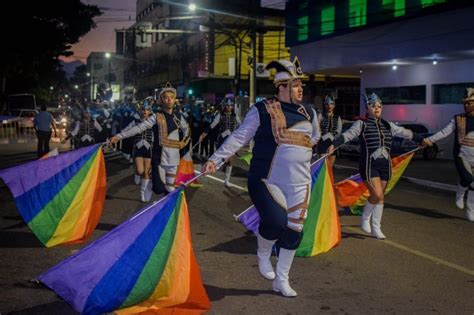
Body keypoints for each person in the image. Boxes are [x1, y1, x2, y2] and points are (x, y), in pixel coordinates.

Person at [202, 57, 320, 297]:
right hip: (267, 180)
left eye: (301, 85)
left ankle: (282, 280)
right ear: (281, 87)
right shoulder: (262, 109)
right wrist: (215, 159)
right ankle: (264, 251)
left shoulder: (310, 111)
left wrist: (302, 153)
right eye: (296, 85)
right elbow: (239, 137)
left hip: (300, 183)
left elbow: (315, 137)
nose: (301, 89)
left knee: (294, 232)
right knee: (276, 222)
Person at [330, 93, 423, 239]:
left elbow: (404, 132)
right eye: (373, 106)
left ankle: (376, 228)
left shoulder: (388, 124)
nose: (377, 108)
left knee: (381, 197)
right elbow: (348, 135)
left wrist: (421, 138)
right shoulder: (362, 124)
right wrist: (334, 145)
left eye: (379, 106)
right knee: (377, 194)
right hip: (368, 165)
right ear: (367, 109)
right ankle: (366, 218)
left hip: (385, 165)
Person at [110, 82, 190, 195]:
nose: (169, 100)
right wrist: (119, 136)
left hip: (174, 157)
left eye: (172, 98)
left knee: (170, 188)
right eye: (166, 98)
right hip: (160, 157)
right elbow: (139, 128)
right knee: (159, 188)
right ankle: (150, 183)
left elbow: (187, 130)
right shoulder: (156, 117)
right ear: (161, 100)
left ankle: (167, 210)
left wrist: (184, 142)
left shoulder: (178, 116)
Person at [422, 87, 474, 222]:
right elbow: (444, 132)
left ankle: (471, 210)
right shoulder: (457, 119)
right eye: (465, 103)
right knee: (468, 179)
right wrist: (429, 140)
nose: (466, 105)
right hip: (462, 155)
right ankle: (460, 191)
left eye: (469, 103)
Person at [199, 97, 241, 187]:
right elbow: (212, 125)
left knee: (230, 160)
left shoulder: (235, 115)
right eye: (227, 105)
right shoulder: (220, 115)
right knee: (222, 159)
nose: (229, 107)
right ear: (224, 106)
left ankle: (226, 180)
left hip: (231, 140)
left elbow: (241, 125)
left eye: (230, 105)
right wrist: (204, 134)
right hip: (222, 139)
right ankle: (207, 169)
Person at [125, 104, 154, 202]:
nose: (145, 111)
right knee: (141, 171)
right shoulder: (135, 122)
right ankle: (137, 173)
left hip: (148, 149)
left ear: (150, 112)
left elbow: (157, 135)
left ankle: (142, 194)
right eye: (143, 109)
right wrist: (117, 137)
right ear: (140, 111)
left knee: (146, 172)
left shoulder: (153, 123)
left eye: (147, 110)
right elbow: (126, 130)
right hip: (138, 148)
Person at [318, 96, 342, 167]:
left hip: (333, 143)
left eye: (331, 104)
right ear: (324, 105)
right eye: (327, 104)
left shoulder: (337, 117)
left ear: (334, 105)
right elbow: (317, 128)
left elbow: (339, 131)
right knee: (322, 167)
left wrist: (335, 142)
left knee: (330, 167)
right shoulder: (320, 116)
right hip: (322, 143)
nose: (329, 106)